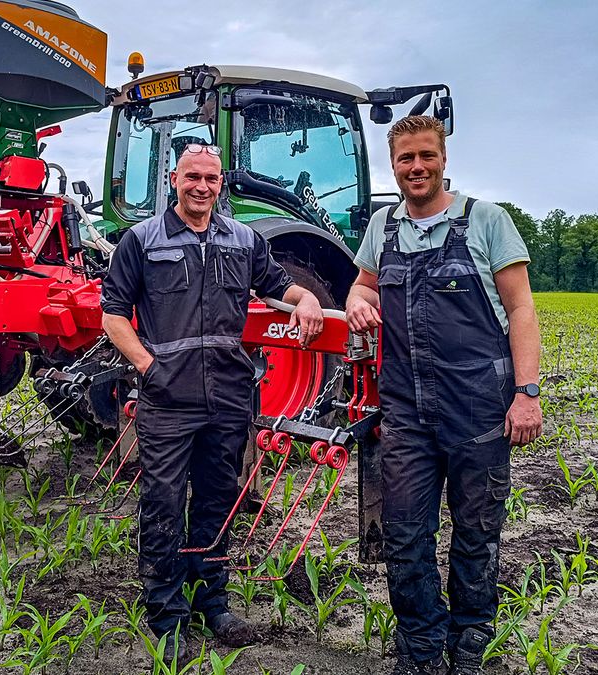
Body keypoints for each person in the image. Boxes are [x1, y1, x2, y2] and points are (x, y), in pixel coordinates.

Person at [100, 143, 325, 660]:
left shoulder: (243, 240)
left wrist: (309, 299)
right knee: (162, 502)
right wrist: (149, 367)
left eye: (212, 178)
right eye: (192, 177)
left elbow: (280, 287)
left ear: (222, 183)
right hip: (167, 397)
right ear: (174, 180)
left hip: (227, 396)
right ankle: (166, 614)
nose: (202, 186)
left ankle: (212, 601)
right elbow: (113, 315)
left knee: (216, 500)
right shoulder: (141, 240)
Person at [345, 116, 543, 675]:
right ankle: (422, 649)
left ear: (444, 158)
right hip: (407, 411)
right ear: (393, 164)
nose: (416, 167)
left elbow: (522, 309)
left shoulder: (485, 221)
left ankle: (472, 640)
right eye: (406, 159)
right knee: (405, 537)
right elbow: (361, 282)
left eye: (426, 156)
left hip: (479, 407)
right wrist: (358, 299)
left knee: (477, 534)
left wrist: (526, 393)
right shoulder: (382, 228)